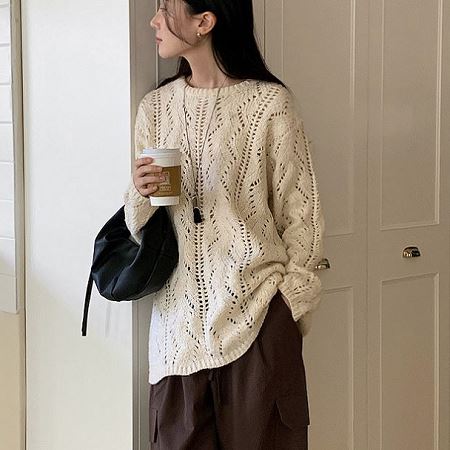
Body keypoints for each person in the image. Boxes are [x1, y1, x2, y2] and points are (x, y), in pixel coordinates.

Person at [123, 0, 325, 448]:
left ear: (205, 21)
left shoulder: (270, 105)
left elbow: (302, 217)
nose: (154, 21)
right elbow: (139, 230)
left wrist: (289, 306)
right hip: (177, 338)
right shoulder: (155, 108)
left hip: (260, 326)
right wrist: (139, 192)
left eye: (165, 8)